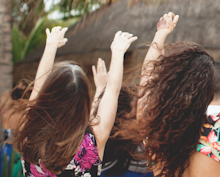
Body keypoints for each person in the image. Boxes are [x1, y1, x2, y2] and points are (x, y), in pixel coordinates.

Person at [133, 7, 220, 177]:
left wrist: (160, 34)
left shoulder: (156, 130)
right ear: (208, 91)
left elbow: (147, 79)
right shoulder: (219, 129)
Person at [15, 27, 136, 177]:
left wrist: (51, 47)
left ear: (48, 95)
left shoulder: (31, 129)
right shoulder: (94, 139)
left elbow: (38, 86)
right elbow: (113, 91)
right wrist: (117, 53)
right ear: (84, 101)